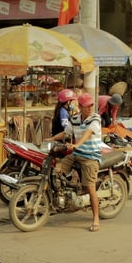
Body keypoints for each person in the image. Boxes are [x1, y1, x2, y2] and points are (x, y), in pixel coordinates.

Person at [47, 93, 104, 232]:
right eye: (87, 106)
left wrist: (77, 144)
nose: (90, 108)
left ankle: (96, 218)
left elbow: (88, 133)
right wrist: (51, 139)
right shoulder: (74, 119)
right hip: (76, 154)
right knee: (56, 172)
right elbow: (66, 133)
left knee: (90, 188)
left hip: (90, 157)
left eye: (91, 105)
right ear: (80, 106)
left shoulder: (95, 118)